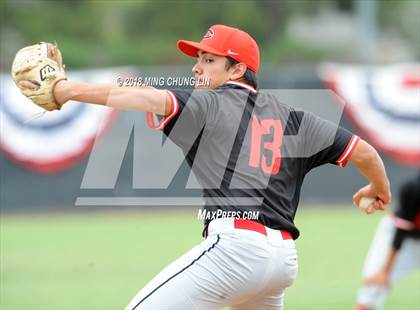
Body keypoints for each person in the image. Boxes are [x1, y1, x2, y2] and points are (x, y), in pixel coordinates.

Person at [18, 25, 391, 310]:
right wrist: (379, 189)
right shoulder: (296, 117)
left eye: (208, 60)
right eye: (197, 59)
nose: (196, 68)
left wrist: (66, 90)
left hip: (236, 249)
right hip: (282, 262)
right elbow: (364, 153)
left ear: (237, 69)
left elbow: (146, 96)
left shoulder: (207, 104)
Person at [355, 172, 420, 310]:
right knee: (374, 287)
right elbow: (400, 232)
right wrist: (385, 271)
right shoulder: (413, 188)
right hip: (400, 234)